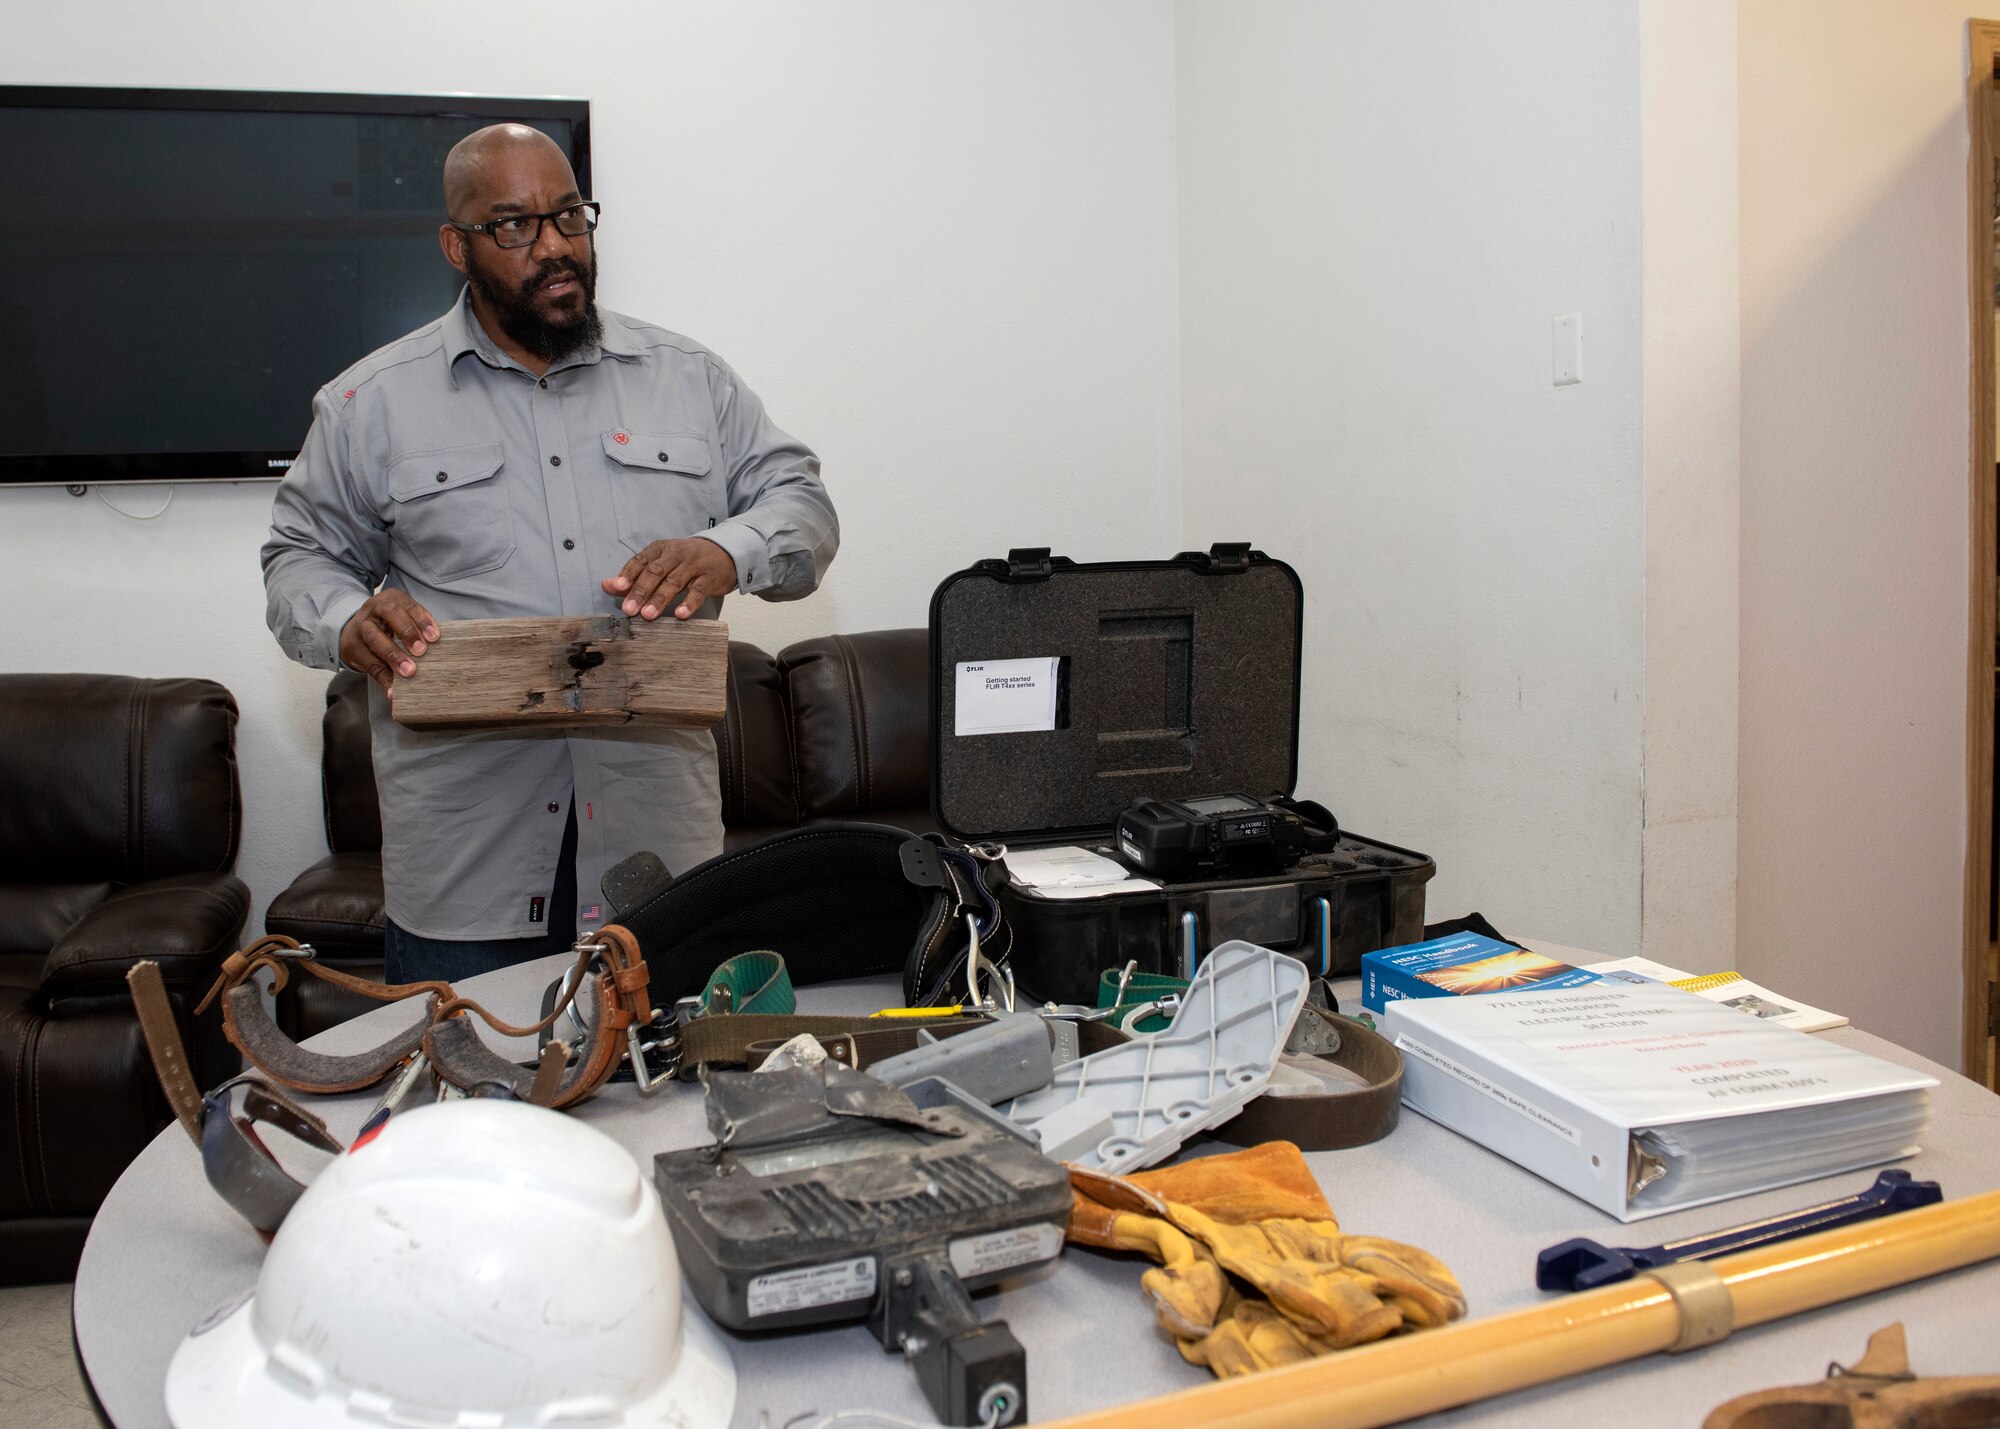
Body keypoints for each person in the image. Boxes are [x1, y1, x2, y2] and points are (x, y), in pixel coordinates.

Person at [263, 123, 838, 983]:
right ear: (457, 246)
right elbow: (298, 557)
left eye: (570, 216)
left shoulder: (690, 379)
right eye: (515, 226)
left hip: (658, 859)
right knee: (478, 1108)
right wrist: (348, 617)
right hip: (469, 870)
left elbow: (803, 504)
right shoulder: (369, 403)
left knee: (671, 1106)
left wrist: (728, 549)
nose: (556, 247)